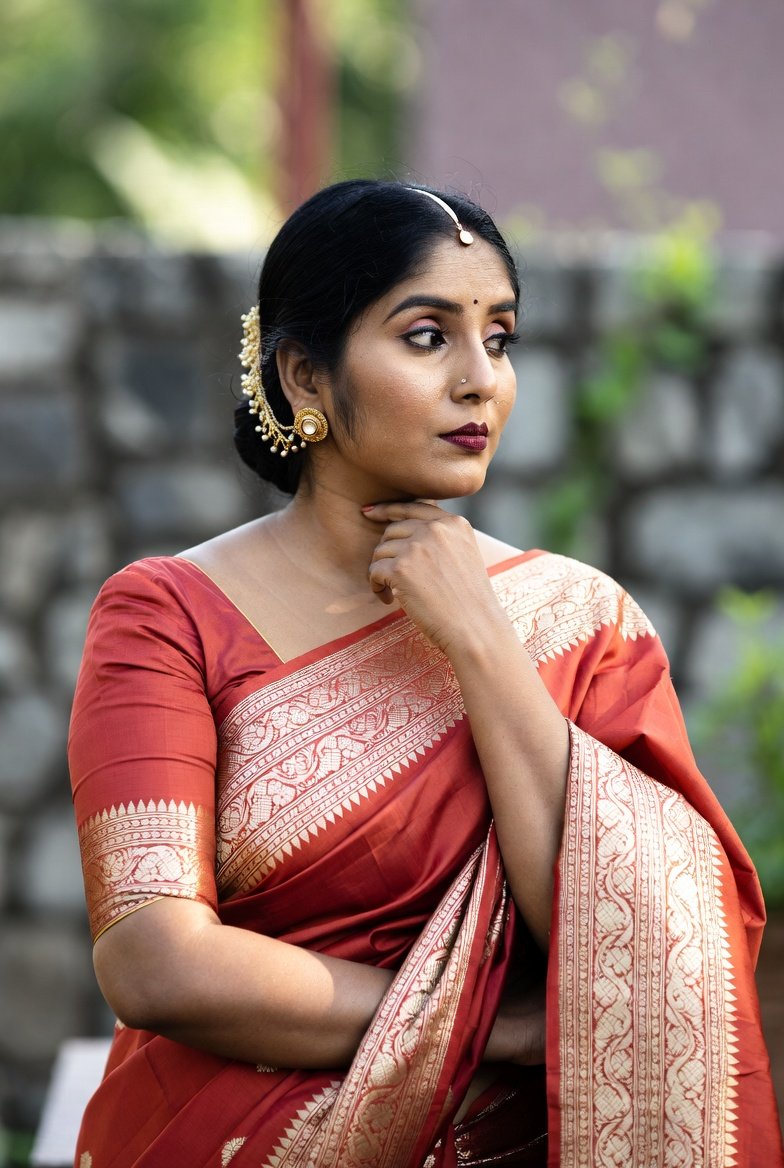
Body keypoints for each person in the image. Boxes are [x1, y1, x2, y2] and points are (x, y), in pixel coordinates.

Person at [68, 179, 783, 1168]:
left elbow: (626, 943)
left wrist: (481, 639)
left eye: (499, 336)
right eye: (425, 335)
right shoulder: (167, 615)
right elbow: (152, 961)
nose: (478, 378)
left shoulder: (581, 623)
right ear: (305, 376)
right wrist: (484, 1025)